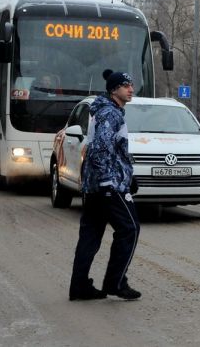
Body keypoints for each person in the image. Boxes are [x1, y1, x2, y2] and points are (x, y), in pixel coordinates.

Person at [69, 69, 141, 301]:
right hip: (107, 185)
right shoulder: (111, 114)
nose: (131, 89)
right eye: (125, 85)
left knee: (90, 235)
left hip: (94, 185)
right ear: (113, 90)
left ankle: (79, 286)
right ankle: (115, 282)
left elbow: (109, 150)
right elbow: (100, 150)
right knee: (130, 228)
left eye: (131, 85)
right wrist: (109, 182)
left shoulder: (105, 111)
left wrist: (128, 176)